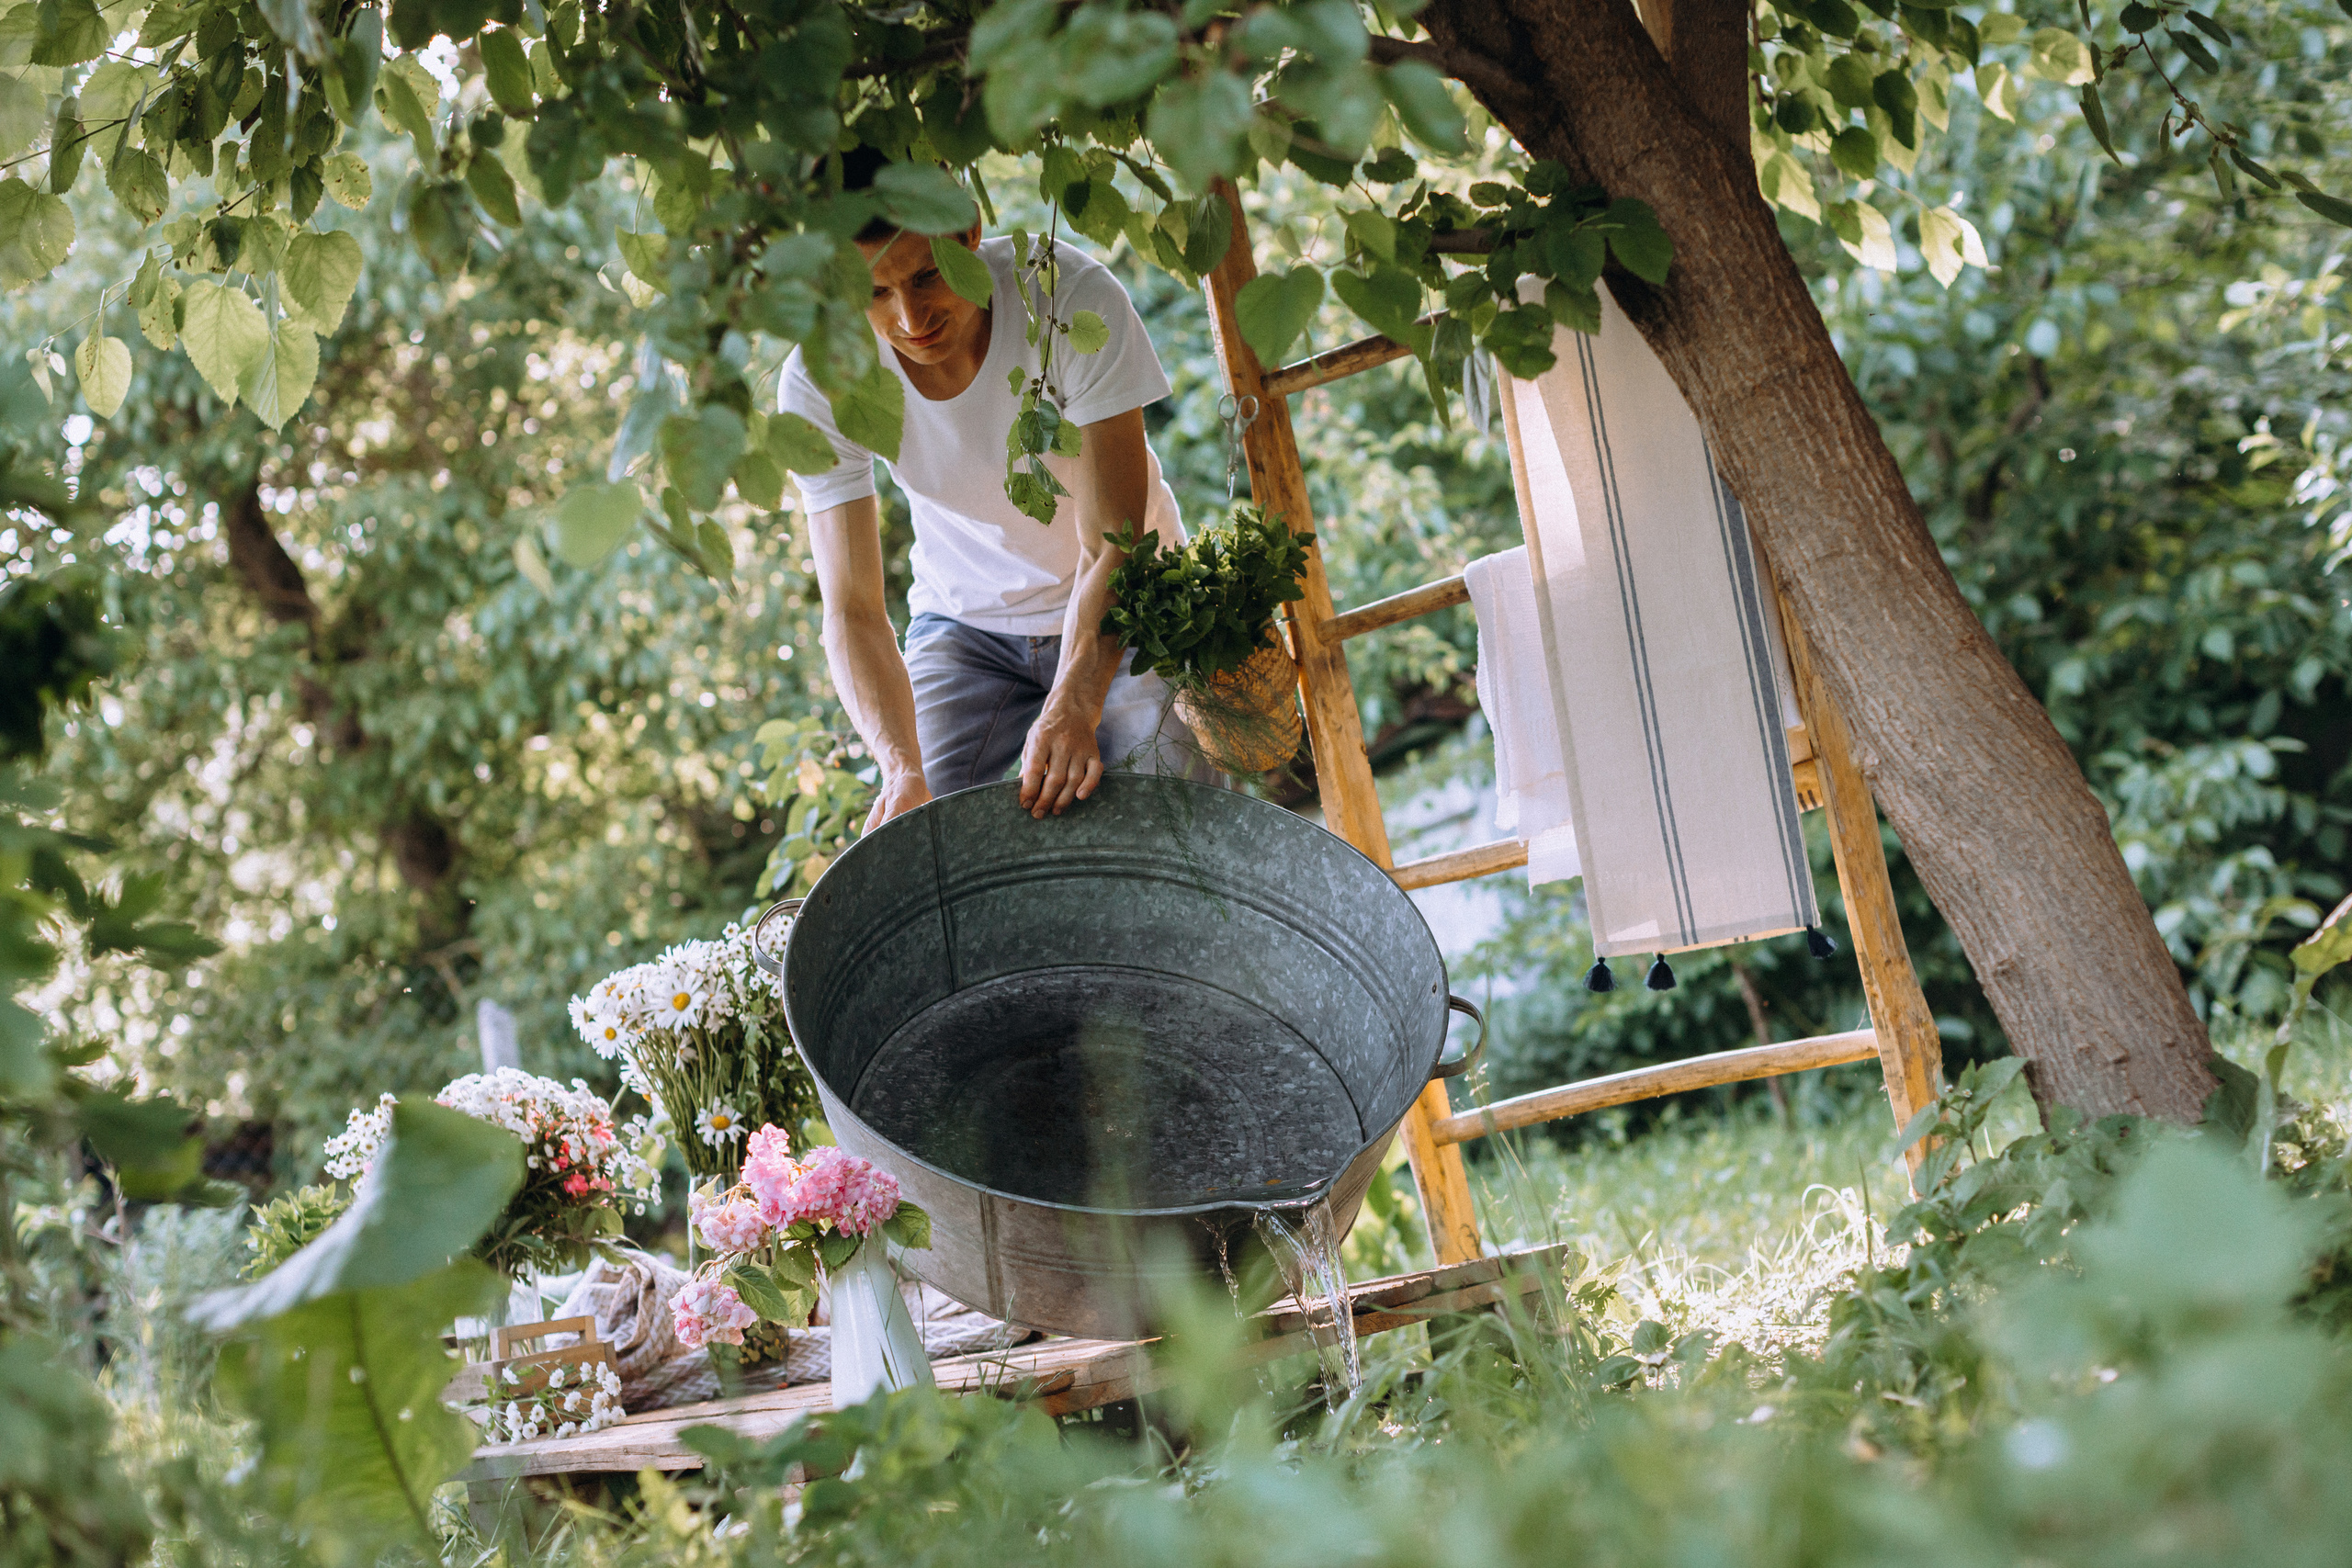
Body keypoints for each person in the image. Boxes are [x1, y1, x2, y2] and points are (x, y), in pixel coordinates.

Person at [781, 155, 1198, 829]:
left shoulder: (1068, 298)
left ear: (970, 231)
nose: (910, 317)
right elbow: (853, 608)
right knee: (917, 836)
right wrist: (900, 765)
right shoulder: (821, 377)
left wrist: (1076, 698)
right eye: (874, 293)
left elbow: (1113, 545)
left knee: (1167, 817)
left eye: (925, 276)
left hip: (1127, 598)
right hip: (964, 624)